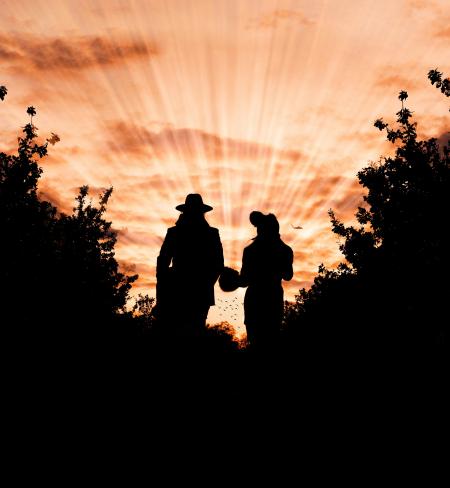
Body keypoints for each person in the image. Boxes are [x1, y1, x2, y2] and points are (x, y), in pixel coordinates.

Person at [156, 194, 224, 336]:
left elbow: (162, 262)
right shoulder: (211, 233)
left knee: (178, 333)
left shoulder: (174, 232)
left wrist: (164, 286)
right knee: (194, 333)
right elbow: (218, 264)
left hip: (179, 290)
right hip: (193, 292)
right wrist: (206, 283)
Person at [240, 211, 293, 351]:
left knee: (255, 343)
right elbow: (288, 275)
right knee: (272, 342)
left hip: (254, 300)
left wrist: (232, 280)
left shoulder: (249, 251)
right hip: (273, 299)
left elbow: (244, 280)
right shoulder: (286, 250)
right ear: (276, 230)